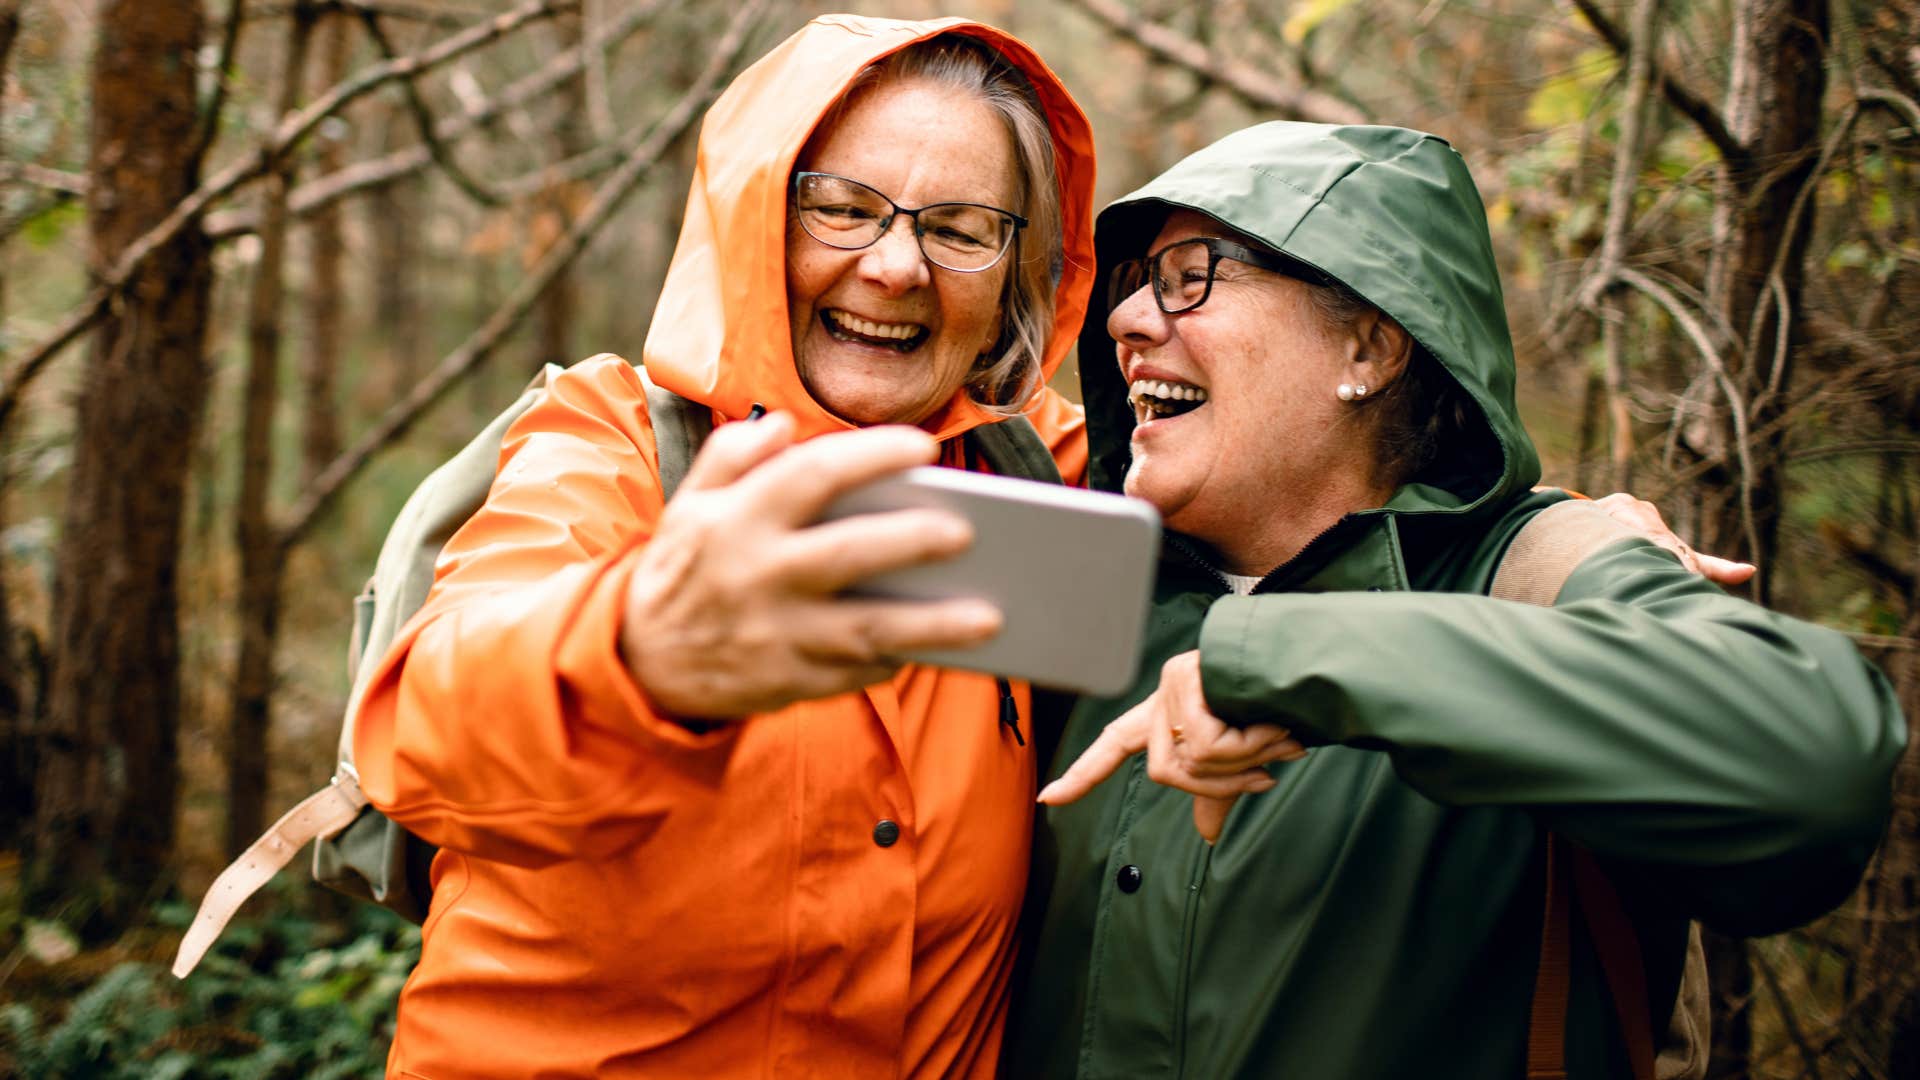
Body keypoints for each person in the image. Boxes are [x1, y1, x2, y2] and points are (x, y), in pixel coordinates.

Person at [1007, 121, 1906, 1078]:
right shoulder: (1084, 587)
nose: (1129, 319)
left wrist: (1297, 660)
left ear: (1370, 344)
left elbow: (1816, 766)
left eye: (1191, 275)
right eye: (1135, 279)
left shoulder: (1540, 577)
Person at [348, 16, 1096, 1078]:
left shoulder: (1041, 477)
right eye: (840, 210)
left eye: (962, 229)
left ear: (1017, 270)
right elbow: (435, 725)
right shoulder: (612, 442)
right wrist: (643, 649)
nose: (894, 267)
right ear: (755, 222)